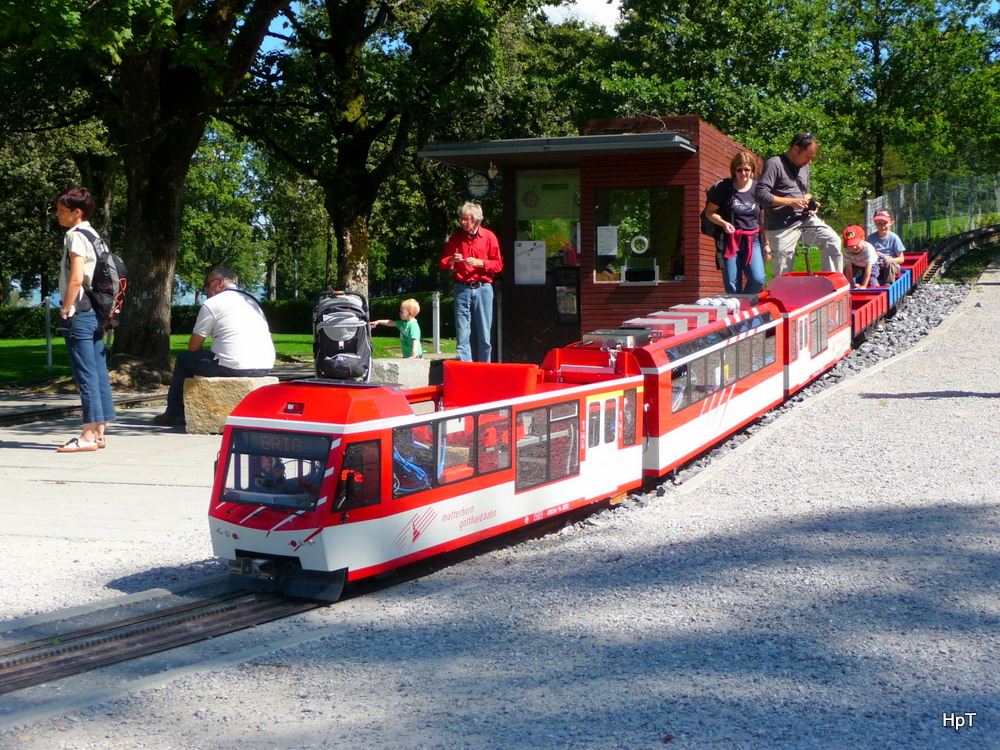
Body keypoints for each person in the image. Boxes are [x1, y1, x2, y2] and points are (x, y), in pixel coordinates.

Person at [153, 266, 275, 426]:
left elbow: (193, 346)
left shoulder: (213, 303)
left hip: (234, 365)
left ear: (219, 283)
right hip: (265, 364)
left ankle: (175, 414)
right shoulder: (252, 301)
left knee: (184, 358)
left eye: (208, 284)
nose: (206, 289)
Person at [54, 187, 116, 452]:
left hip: (80, 312)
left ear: (76, 213)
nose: (57, 215)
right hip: (97, 312)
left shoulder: (76, 236)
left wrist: (66, 308)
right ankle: (100, 432)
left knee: (85, 374)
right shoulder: (95, 235)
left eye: (61, 211)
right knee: (99, 372)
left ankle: (87, 436)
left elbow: (76, 278)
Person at [755, 132, 843, 277]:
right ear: (796, 149)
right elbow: (760, 194)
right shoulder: (774, 164)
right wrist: (790, 202)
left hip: (804, 219)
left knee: (832, 240)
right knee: (783, 270)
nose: (810, 162)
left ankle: (832, 285)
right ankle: (782, 297)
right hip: (781, 226)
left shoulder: (804, 166)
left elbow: (805, 192)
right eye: (808, 157)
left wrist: (811, 202)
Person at [439, 202, 503, 362]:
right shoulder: (456, 237)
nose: (462, 222)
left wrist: (480, 263)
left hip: (483, 289)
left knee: (484, 335)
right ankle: (466, 370)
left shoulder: (489, 237)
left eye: (466, 219)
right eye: (461, 218)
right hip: (462, 289)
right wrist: (452, 259)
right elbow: (443, 262)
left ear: (476, 220)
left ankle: (484, 370)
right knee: (462, 335)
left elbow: (498, 265)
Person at [704, 151, 770, 294]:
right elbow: (709, 212)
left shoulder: (758, 188)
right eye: (739, 170)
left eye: (747, 169)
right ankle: (738, 308)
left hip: (753, 240)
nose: (743, 173)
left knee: (758, 279)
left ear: (752, 170)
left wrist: (767, 244)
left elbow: (763, 219)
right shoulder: (725, 188)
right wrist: (723, 223)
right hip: (730, 241)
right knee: (732, 286)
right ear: (734, 170)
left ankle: (743, 304)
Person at [869, 209, 906, 284]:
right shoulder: (870, 238)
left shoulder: (894, 238)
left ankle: (888, 285)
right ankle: (874, 286)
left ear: (891, 222)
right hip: (876, 265)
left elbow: (901, 259)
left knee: (890, 265)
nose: (882, 226)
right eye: (879, 223)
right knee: (870, 267)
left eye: (885, 223)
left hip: (890, 265)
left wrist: (889, 260)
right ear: (875, 223)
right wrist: (874, 254)